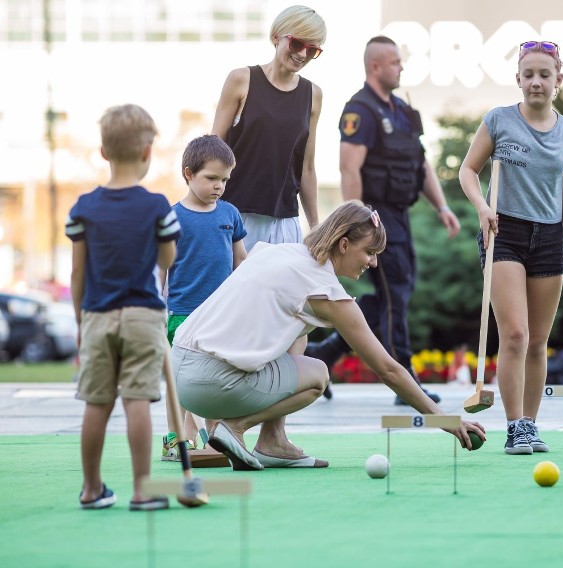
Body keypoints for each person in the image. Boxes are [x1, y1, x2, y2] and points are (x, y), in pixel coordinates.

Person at [171, 201, 485, 471]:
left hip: (181, 379)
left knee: (297, 335)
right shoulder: (326, 292)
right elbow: (387, 368)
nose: (373, 262)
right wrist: (445, 420)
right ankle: (235, 429)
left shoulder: (277, 253)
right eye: (369, 252)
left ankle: (274, 443)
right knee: (317, 374)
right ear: (344, 245)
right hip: (212, 384)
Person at [306, 35, 460, 404]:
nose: (401, 67)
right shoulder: (361, 110)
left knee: (397, 292)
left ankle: (324, 353)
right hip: (374, 216)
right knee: (394, 296)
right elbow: (349, 168)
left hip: (400, 215)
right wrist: (356, 223)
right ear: (374, 66)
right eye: (394, 62)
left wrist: (442, 206)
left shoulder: (403, 111)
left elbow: (419, 163)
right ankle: (403, 381)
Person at [458, 40, 563, 455]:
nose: (536, 81)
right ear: (518, 79)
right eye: (529, 74)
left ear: (558, 80)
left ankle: (531, 425)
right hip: (504, 231)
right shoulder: (498, 121)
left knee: (537, 340)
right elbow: (467, 170)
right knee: (514, 333)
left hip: (549, 236)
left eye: (544, 74)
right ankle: (515, 426)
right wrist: (481, 208)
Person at [66, 104, 180, 510]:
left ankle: (92, 488)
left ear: (103, 152)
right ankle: (141, 489)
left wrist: (82, 320)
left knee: (97, 401)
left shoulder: (83, 208)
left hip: (97, 314)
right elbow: (166, 260)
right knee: (137, 400)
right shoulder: (157, 207)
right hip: (143, 315)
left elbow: (77, 273)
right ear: (149, 152)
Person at [161, 135, 248, 462]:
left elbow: (241, 261)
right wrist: (158, 306)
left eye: (224, 179)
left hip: (222, 315)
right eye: (211, 178)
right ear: (189, 173)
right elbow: (161, 268)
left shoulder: (230, 214)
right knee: (181, 384)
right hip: (183, 314)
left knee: (215, 379)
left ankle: (216, 440)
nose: (219, 186)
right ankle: (174, 440)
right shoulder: (172, 218)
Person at [211, 5, 325, 251]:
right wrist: (203, 211)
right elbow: (213, 148)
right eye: (297, 44)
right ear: (276, 37)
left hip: (284, 221)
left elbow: (306, 166)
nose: (303, 54)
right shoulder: (241, 79)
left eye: (313, 49)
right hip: (235, 215)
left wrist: (316, 229)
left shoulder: (313, 95)